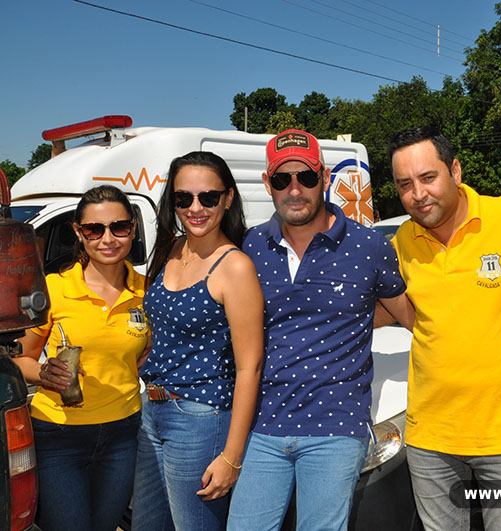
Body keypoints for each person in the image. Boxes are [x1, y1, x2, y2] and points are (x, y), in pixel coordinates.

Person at [386, 125, 501, 530]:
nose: (418, 193)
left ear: (455, 171)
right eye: (405, 184)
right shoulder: (402, 242)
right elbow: (387, 310)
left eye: (428, 177)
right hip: (430, 438)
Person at [227, 129, 412, 530]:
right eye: (282, 179)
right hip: (264, 425)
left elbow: (410, 315)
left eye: (307, 177)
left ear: (325, 178)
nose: (295, 190)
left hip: (336, 427)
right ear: (268, 183)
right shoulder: (251, 247)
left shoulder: (368, 246)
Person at [132, 151, 264, 530]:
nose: (195, 208)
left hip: (201, 419)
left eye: (208, 197)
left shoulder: (235, 267)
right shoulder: (171, 249)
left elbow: (250, 366)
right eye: (183, 198)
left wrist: (232, 456)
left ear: (228, 198)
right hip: (151, 410)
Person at [14, 185, 148, 531]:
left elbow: (146, 357)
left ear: (133, 229)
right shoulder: (54, 288)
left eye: (119, 227)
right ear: (78, 232)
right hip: (58, 434)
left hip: (123, 434)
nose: (108, 239)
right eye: (94, 229)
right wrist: (44, 374)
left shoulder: (146, 291)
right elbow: (20, 360)